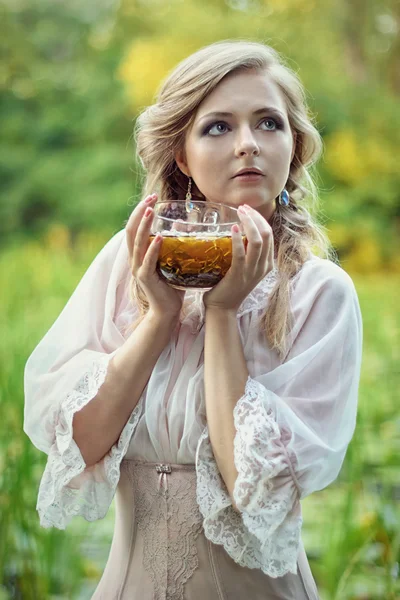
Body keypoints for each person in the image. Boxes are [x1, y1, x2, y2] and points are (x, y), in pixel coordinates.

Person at [23, 40, 363, 600]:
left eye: (269, 124)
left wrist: (223, 312)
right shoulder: (126, 263)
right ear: (182, 155)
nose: (248, 144)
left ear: (294, 146)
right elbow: (80, 443)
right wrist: (159, 316)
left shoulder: (319, 293)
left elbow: (251, 491)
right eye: (218, 128)